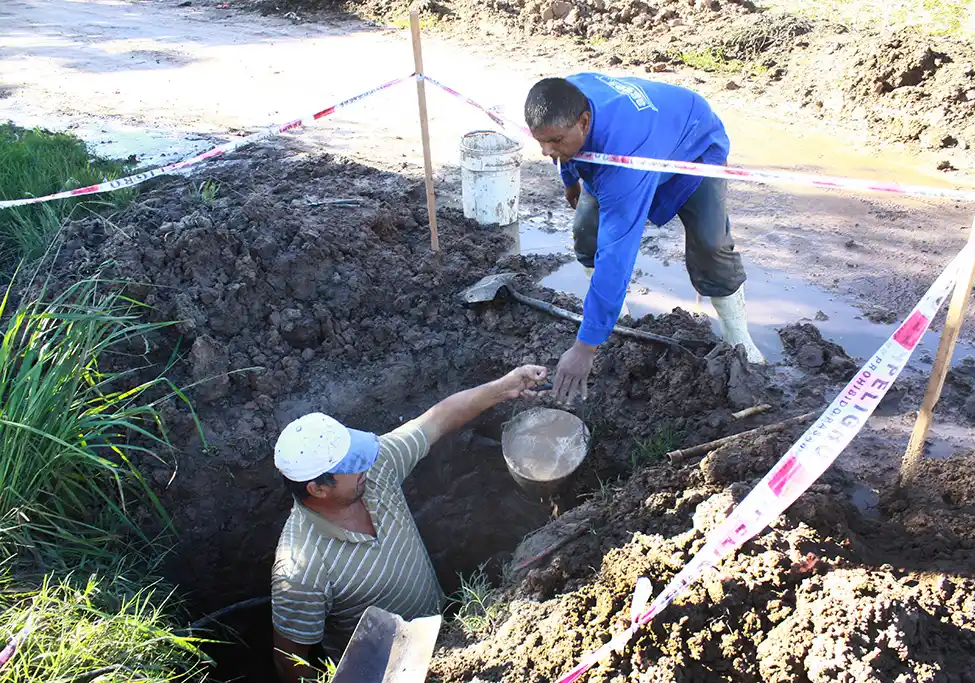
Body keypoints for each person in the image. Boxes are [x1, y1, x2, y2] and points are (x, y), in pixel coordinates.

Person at [270, 365, 548, 683]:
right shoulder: (300, 571)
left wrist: (505, 386)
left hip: (448, 637)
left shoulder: (375, 471)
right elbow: (290, 662)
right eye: (353, 465)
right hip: (388, 673)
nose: (365, 465)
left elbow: (437, 420)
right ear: (318, 489)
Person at [524, 73, 766, 403]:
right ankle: (618, 321)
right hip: (619, 150)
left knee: (710, 248)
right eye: (541, 141)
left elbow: (617, 256)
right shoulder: (566, 98)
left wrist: (584, 347)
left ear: (584, 122)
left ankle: (739, 339)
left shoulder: (625, 155)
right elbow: (560, 152)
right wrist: (570, 180)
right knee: (586, 232)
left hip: (691, 147)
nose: (545, 152)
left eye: (554, 142)